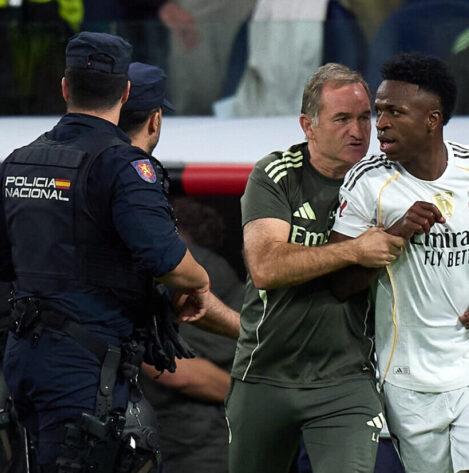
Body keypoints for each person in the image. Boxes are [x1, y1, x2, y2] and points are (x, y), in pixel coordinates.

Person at [329, 52, 469, 473]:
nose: (380, 124)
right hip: (409, 382)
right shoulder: (367, 183)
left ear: (432, 119)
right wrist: (394, 235)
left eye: (394, 112)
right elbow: (340, 285)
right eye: (379, 112)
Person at [0, 32, 213, 472]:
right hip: (83, 367)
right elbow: (167, 260)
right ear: (126, 91)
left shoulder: (19, 160)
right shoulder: (123, 165)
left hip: (22, 361)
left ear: (64, 86)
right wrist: (199, 280)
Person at [226, 62, 406, 473]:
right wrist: (353, 251)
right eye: (342, 118)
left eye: (365, 118)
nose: (359, 131)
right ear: (308, 125)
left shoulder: (388, 182)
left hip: (347, 380)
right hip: (264, 374)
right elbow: (266, 267)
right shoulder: (276, 175)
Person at [116, 64, 238, 473]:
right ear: (155, 120)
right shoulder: (133, 190)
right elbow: (171, 369)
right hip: (181, 442)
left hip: (166, 438)